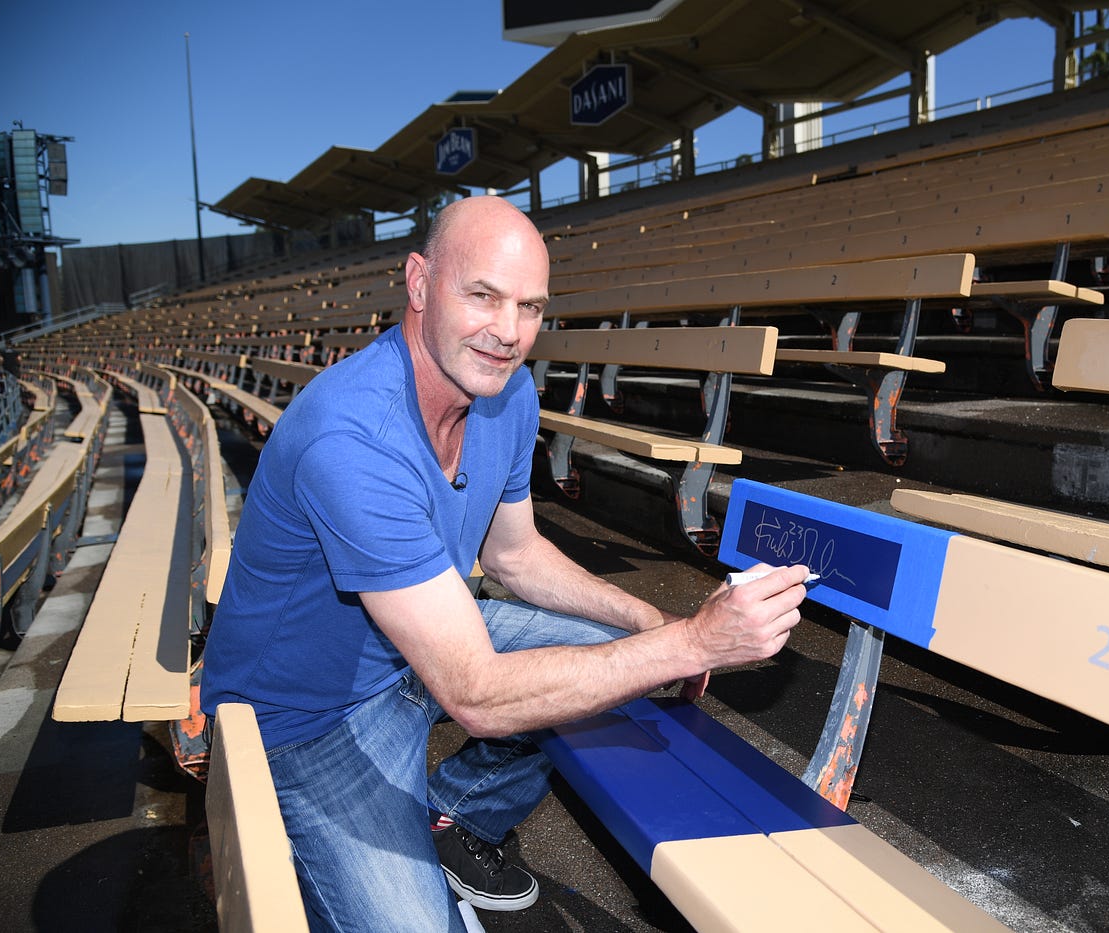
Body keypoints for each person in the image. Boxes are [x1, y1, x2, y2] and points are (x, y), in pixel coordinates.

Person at [199, 195, 809, 932]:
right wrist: (694, 640)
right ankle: (303, 848)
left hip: (411, 654)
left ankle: (457, 817)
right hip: (306, 721)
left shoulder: (506, 390)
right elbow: (478, 695)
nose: (510, 332)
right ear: (419, 283)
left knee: (622, 654)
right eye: (482, 295)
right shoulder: (353, 436)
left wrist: (646, 619)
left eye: (531, 307)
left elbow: (513, 554)